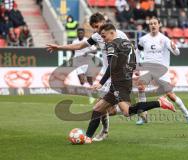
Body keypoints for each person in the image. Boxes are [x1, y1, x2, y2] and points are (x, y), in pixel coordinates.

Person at [84, 23, 176, 143]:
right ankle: (88, 137)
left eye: (104, 36)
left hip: (119, 83)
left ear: (112, 33)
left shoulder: (111, 44)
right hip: (124, 81)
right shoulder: (128, 44)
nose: (103, 39)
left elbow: (111, 65)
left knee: (126, 112)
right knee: (98, 108)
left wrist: (101, 83)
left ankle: (160, 102)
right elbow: (133, 62)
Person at [46, 12, 129, 142]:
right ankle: (104, 131)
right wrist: (60, 47)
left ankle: (106, 129)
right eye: (94, 27)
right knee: (103, 108)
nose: (96, 30)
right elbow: (80, 46)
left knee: (106, 108)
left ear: (103, 21)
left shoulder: (119, 34)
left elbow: (130, 51)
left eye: (97, 25)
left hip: (119, 74)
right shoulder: (97, 36)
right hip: (107, 74)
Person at [135, 18, 188, 125]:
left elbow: (177, 53)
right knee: (140, 88)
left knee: (170, 95)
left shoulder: (165, 39)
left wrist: (174, 48)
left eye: (155, 23)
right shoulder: (143, 39)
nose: (153, 25)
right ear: (149, 26)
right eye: (151, 24)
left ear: (159, 25)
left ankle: (187, 115)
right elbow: (137, 52)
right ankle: (143, 116)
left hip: (161, 70)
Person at [72, 28, 97, 104]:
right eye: (79, 33)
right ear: (77, 34)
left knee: (90, 81)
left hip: (87, 63)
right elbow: (72, 50)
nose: (80, 34)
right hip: (78, 63)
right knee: (82, 82)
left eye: (81, 33)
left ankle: (93, 94)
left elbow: (95, 50)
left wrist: (88, 52)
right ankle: (90, 96)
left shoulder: (87, 41)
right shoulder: (74, 41)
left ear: (84, 33)